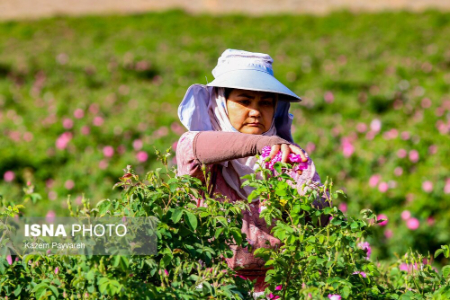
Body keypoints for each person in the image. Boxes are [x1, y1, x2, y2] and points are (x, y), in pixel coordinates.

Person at [176, 49, 327, 298]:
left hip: (278, 289)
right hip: (209, 288)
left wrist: (304, 198)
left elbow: (320, 214)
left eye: (265, 103)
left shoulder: (290, 156)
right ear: (220, 103)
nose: (256, 111)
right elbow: (194, 147)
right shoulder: (196, 147)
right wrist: (260, 145)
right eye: (244, 101)